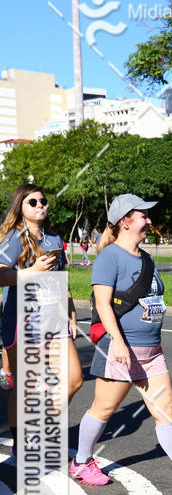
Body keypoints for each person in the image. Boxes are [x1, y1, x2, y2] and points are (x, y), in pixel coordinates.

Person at [70, 193, 172, 487]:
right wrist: (119, 342)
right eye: (143, 216)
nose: (149, 220)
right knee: (103, 409)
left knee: (164, 413)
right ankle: (82, 461)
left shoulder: (146, 258)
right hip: (122, 350)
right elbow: (102, 304)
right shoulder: (110, 257)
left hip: (152, 352)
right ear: (125, 222)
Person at [0, 183, 83, 460]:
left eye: (43, 201)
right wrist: (31, 272)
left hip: (54, 319)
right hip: (22, 320)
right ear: (20, 208)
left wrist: (70, 308)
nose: (40, 206)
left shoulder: (55, 239)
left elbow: (61, 278)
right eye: (32, 202)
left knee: (74, 379)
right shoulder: (13, 238)